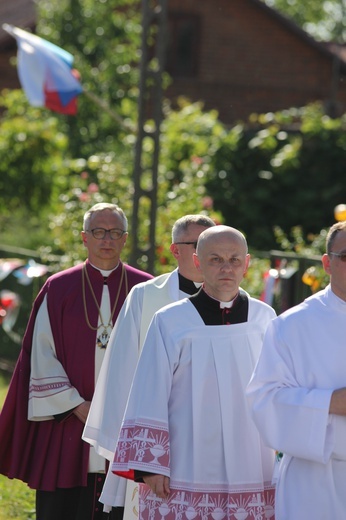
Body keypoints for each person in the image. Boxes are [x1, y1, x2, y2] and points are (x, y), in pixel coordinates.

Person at [110, 225, 277, 520]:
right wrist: (151, 465)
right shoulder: (171, 320)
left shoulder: (265, 318)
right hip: (186, 458)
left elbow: (277, 387)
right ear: (197, 262)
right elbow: (150, 390)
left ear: (247, 263)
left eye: (234, 259)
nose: (226, 268)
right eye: (215, 259)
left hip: (251, 457)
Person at [0, 202, 152, 520]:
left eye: (115, 232)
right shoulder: (58, 288)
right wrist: (75, 404)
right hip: (70, 422)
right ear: (84, 237)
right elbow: (41, 354)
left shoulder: (148, 289)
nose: (106, 239)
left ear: (125, 238)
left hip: (127, 423)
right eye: (98, 231)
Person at [83, 214, 216, 511]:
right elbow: (121, 375)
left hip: (213, 438)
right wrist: (141, 457)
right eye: (195, 244)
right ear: (174, 250)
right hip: (157, 439)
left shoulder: (234, 302)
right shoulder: (145, 296)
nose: (203, 252)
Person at [247, 220, 346, 519]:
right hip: (315, 479)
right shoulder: (291, 325)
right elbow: (264, 401)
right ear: (327, 263)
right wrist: (332, 403)